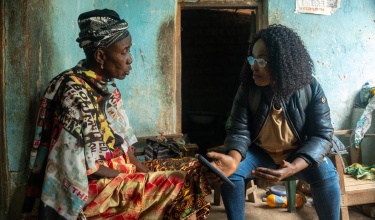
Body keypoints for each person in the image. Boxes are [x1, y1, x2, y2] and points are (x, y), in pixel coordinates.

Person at [21, 9, 211, 220]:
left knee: (194, 167)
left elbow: (123, 146)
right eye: (124, 52)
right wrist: (131, 176)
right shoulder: (73, 92)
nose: (130, 60)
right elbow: (83, 169)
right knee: (179, 181)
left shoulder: (108, 88)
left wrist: (142, 171)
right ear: (101, 56)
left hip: (121, 172)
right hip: (96, 188)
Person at [206, 24, 340, 220]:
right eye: (252, 58)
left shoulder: (310, 88)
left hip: (297, 154)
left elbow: (322, 135)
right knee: (231, 173)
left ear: (282, 63)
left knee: (328, 175)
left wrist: (294, 166)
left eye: (262, 60)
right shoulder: (248, 89)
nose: (253, 66)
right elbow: (238, 129)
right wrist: (234, 160)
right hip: (261, 154)